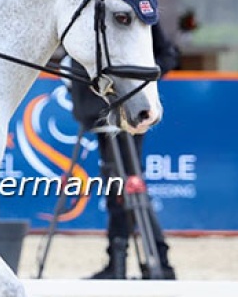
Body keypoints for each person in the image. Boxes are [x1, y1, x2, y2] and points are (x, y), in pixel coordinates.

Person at [69, 22, 180, 280]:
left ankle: (154, 261)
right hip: (98, 114)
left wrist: (137, 87)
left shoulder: (136, 15)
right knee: (120, 185)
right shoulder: (87, 11)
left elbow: (166, 55)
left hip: (125, 113)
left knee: (127, 185)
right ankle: (127, 260)